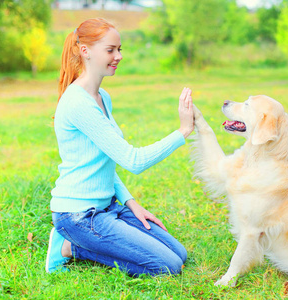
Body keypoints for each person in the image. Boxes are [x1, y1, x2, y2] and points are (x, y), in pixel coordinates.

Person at [45, 18, 194, 276]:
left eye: (119, 49)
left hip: (108, 207)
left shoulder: (103, 97)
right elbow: (133, 161)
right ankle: (69, 247)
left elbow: (103, 161)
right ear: (85, 51)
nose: (118, 56)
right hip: (79, 216)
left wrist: (131, 203)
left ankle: (83, 240)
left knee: (179, 254)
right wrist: (182, 132)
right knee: (168, 267)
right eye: (111, 50)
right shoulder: (78, 103)